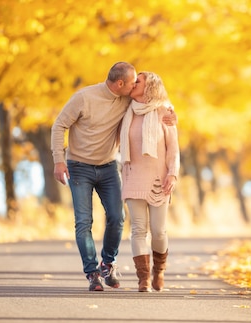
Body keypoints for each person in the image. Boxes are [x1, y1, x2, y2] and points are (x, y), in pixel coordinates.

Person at [51, 62, 177, 291]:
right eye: (132, 82)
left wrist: (172, 114)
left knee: (117, 218)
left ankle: (108, 263)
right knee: (83, 222)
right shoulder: (84, 97)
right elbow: (59, 125)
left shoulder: (128, 99)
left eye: (137, 82)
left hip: (109, 166)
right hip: (79, 166)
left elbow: (155, 101)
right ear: (121, 84)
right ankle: (92, 273)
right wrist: (59, 160)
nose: (135, 85)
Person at [120, 71, 180, 292]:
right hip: (133, 175)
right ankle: (143, 278)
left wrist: (172, 173)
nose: (133, 84)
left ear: (150, 87)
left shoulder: (165, 111)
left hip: (158, 178)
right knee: (137, 229)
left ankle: (159, 271)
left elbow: (173, 148)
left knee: (159, 230)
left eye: (138, 81)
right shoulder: (125, 110)